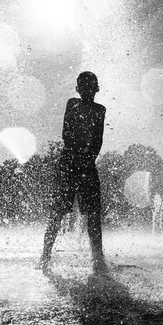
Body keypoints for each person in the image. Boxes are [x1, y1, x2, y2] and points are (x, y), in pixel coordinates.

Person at [38, 71, 108, 274]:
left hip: (87, 163)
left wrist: (89, 158)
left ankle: (98, 259)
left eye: (90, 86)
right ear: (78, 89)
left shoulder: (100, 110)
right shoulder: (72, 104)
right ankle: (45, 256)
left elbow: (99, 139)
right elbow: (66, 133)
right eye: (83, 86)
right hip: (69, 162)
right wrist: (80, 153)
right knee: (58, 211)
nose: (87, 90)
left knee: (94, 214)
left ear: (96, 88)